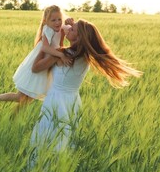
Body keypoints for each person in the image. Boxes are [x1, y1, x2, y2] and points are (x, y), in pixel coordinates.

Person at [30, 17, 142, 157]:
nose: (68, 29)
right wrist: (72, 27)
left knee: (46, 139)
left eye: (72, 29)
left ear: (78, 37)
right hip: (72, 102)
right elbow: (73, 36)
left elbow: (35, 68)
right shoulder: (86, 56)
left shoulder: (61, 54)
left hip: (56, 101)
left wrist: (43, 45)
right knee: (62, 141)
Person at [0, 5, 72, 112]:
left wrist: (71, 24)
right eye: (53, 20)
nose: (57, 22)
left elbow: (60, 44)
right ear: (46, 21)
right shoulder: (48, 30)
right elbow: (45, 47)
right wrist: (61, 55)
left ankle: (12, 119)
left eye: (59, 19)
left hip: (47, 65)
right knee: (21, 97)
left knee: (28, 99)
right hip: (39, 62)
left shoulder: (60, 29)